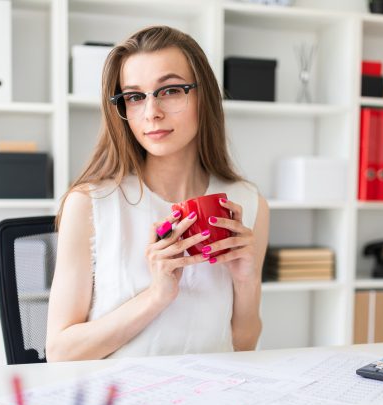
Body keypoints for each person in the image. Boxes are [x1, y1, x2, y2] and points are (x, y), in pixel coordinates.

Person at [45, 25, 269, 361]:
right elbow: (60, 352)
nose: (152, 113)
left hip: (209, 398)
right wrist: (156, 296)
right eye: (135, 97)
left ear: (202, 96)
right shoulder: (91, 203)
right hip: (120, 402)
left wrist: (246, 281)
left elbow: (242, 346)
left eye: (170, 91)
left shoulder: (249, 204)